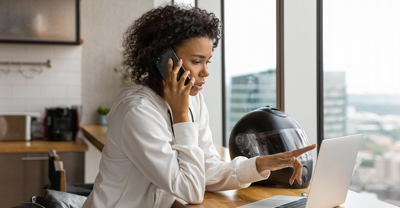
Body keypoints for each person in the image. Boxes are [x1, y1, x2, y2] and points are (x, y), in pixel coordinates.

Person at [83, 5, 316, 208]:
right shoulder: (137, 111)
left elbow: (205, 169)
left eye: (207, 61)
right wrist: (181, 116)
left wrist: (258, 164)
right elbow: (190, 190)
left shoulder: (193, 99)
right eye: (196, 61)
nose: (206, 72)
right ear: (164, 60)